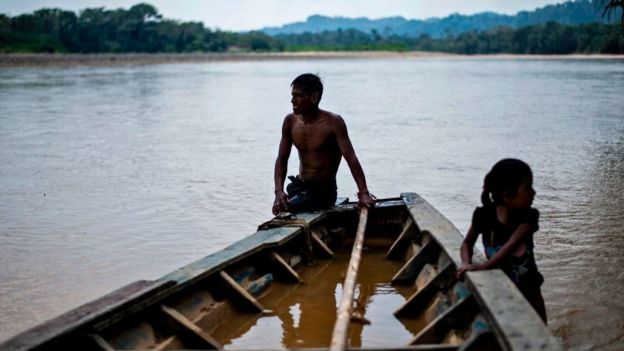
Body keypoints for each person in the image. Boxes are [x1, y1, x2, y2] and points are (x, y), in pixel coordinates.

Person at [456, 158, 547, 323]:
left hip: (530, 292)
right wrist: (465, 262)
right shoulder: (483, 215)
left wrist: (483, 267)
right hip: (498, 287)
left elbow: (511, 245)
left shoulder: (529, 217)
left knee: (541, 333)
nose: (534, 193)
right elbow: (467, 243)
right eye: (528, 188)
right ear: (507, 196)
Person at [272, 73, 375, 215]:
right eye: (292, 95)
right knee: (280, 207)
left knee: (291, 207)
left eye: (299, 96)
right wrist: (278, 192)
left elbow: (351, 158)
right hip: (299, 187)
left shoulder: (333, 122)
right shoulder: (290, 122)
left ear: (314, 97)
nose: (292, 100)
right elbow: (281, 160)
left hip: (323, 191)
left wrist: (363, 193)